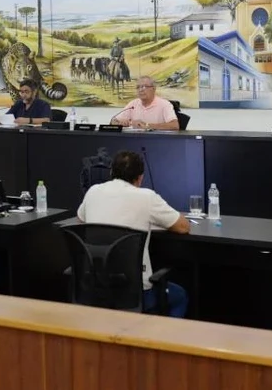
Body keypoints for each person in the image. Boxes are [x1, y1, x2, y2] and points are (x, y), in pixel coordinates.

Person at [77, 150, 191, 317]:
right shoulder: (146, 197)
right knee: (179, 296)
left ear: (111, 172)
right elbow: (183, 227)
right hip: (136, 294)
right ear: (140, 178)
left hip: (96, 288)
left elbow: (81, 220)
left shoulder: (93, 191)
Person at [111, 76, 179, 130]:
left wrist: (147, 125)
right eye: (138, 87)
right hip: (135, 140)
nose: (140, 90)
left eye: (144, 86)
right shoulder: (133, 104)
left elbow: (175, 126)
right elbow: (113, 121)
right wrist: (120, 123)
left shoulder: (165, 104)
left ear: (153, 89)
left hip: (157, 141)